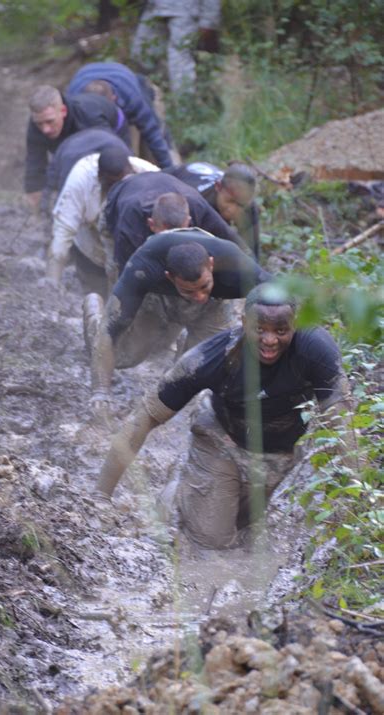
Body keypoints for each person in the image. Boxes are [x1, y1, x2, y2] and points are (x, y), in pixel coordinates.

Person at [94, 283, 353, 550]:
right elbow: (145, 416)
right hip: (221, 440)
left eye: (281, 331)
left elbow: (342, 424)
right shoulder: (213, 356)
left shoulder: (316, 350)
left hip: (279, 453)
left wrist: (357, 505)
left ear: (295, 324)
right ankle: (175, 497)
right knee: (212, 541)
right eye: (259, 329)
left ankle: (188, 491)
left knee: (244, 527)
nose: (270, 340)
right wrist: (100, 497)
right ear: (243, 322)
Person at [85, 228, 271, 408]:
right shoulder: (145, 266)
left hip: (215, 304)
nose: (199, 296)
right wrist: (100, 393)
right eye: (190, 290)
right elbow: (112, 327)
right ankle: (93, 315)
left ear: (212, 264)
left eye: (204, 286)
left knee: (201, 368)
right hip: (160, 297)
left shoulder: (236, 266)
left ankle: (164, 393)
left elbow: (282, 294)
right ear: (170, 277)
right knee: (126, 357)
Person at [47, 144, 159, 292]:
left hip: (133, 249)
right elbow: (64, 230)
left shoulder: (151, 174)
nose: (120, 189)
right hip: (91, 246)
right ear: (100, 176)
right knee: (95, 297)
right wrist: (51, 282)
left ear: (131, 170)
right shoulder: (81, 179)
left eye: (124, 182)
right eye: (115, 184)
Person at [100, 167, 250, 271]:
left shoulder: (197, 206)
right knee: (119, 269)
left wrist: (254, 272)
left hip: (160, 184)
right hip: (118, 200)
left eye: (179, 235)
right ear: (151, 225)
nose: (171, 243)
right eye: (165, 238)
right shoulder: (130, 222)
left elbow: (230, 238)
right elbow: (125, 271)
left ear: (189, 222)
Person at [24, 85, 129, 210]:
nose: (45, 129)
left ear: (63, 111)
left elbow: (114, 151)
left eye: (50, 121)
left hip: (113, 129)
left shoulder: (88, 115)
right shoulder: (37, 124)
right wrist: (35, 195)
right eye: (39, 123)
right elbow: (35, 160)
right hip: (72, 138)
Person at [65, 62, 175, 169]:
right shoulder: (75, 102)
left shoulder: (133, 98)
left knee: (148, 151)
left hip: (132, 90)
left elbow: (153, 135)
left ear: (114, 98)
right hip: (86, 78)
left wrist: (170, 170)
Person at [167, 161, 261, 260]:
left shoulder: (248, 206)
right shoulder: (197, 202)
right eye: (230, 201)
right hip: (167, 181)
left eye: (241, 205)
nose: (233, 210)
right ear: (218, 187)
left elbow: (252, 253)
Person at [131, 0, 221, 94]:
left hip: (186, 11)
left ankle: (185, 104)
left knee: (180, 64)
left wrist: (209, 20)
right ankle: (163, 95)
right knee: (141, 54)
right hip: (155, 8)